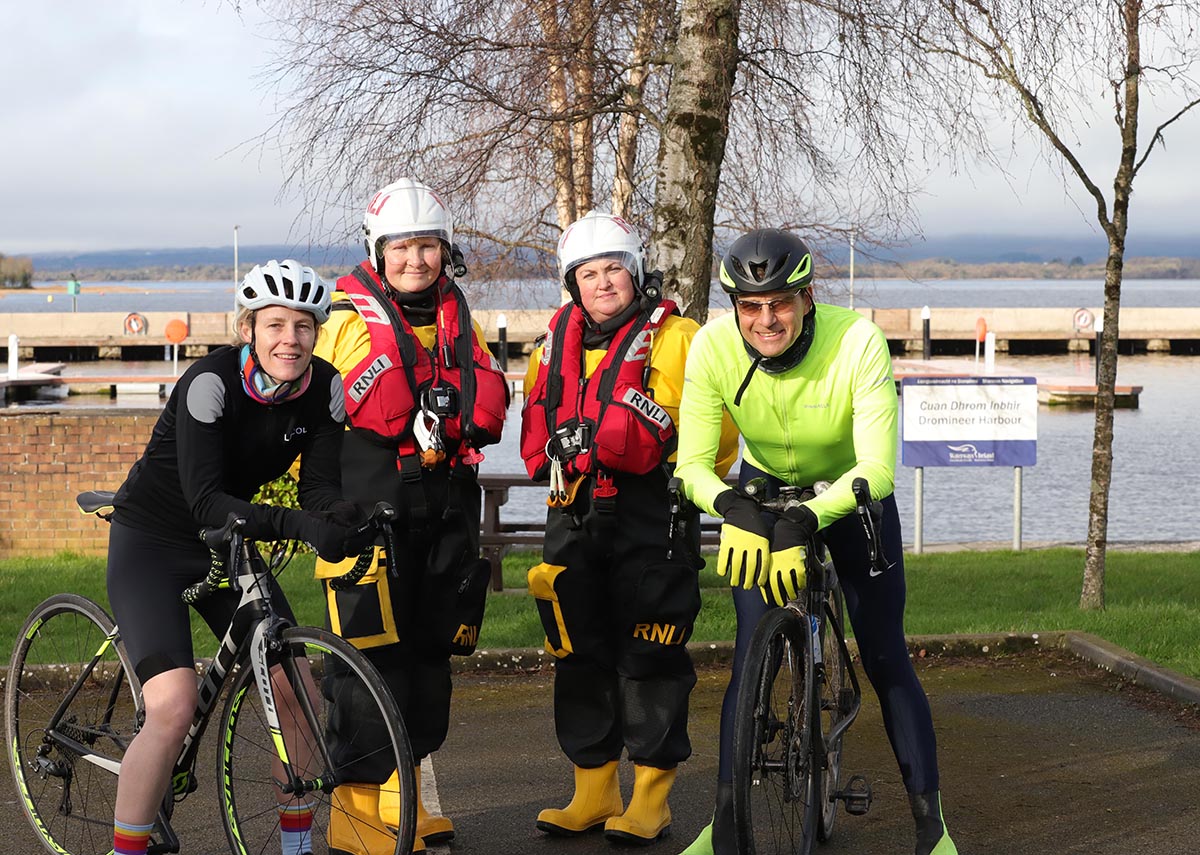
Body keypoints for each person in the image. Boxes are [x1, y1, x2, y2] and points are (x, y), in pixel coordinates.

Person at [674, 229, 958, 855]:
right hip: (765, 489)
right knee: (751, 652)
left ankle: (931, 828)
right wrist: (732, 508)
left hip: (849, 490)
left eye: (779, 302)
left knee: (885, 658)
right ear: (734, 308)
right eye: (750, 306)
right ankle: (724, 825)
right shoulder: (714, 346)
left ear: (805, 297)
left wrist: (810, 517)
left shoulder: (856, 340)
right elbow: (691, 465)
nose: (765, 319)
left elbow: (879, 468)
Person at [106, 259, 367, 855]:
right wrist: (301, 525)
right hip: (155, 541)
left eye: (304, 326)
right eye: (275, 324)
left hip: (229, 544)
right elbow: (204, 502)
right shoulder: (210, 382)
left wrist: (345, 516)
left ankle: (295, 848)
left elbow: (317, 492)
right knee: (171, 707)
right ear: (248, 327)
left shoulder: (326, 390)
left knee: (296, 686)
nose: (290, 339)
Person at [521, 211, 738, 846]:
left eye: (613, 267)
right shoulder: (551, 346)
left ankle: (651, 798)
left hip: (652, 515)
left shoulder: (683, 338)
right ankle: (592, 791)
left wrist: (660, 447)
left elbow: (719, 437)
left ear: (636, 270)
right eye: (588, 273)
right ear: (573, 284)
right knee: (577, 651)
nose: (603, 282)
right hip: (573, 512)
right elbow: (538, 424)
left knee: (650, 656)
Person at [312, 178, 509, 854]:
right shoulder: (341, 318)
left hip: (444, 516)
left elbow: (485, 400)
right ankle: (356, 814)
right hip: (368, 519)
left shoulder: (461, 319)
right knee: (362, 671)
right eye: (402, 246)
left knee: (430, 663)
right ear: (378, 250)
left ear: (444, 252)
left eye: (427, 246)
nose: (415, 259)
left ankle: (412, 803)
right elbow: (307, 416)